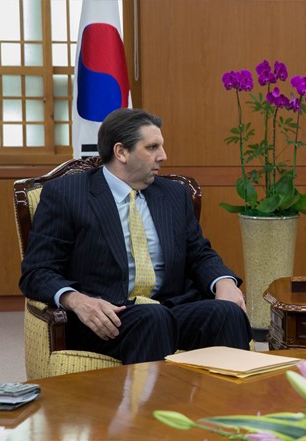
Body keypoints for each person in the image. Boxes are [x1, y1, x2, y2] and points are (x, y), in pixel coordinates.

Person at [20, 108, 252, 364]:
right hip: (106, 316)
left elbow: (199, 254)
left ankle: (229, 392)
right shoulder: (67, 194)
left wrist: (224, 282)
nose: (163, 156)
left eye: (161, 146)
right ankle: (152, 393)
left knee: (226, 313)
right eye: (152, 147)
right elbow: (37, 271)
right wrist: (76, 300)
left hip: (169, 307)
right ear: (121, 152)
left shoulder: (174, 195)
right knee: (153, 318)